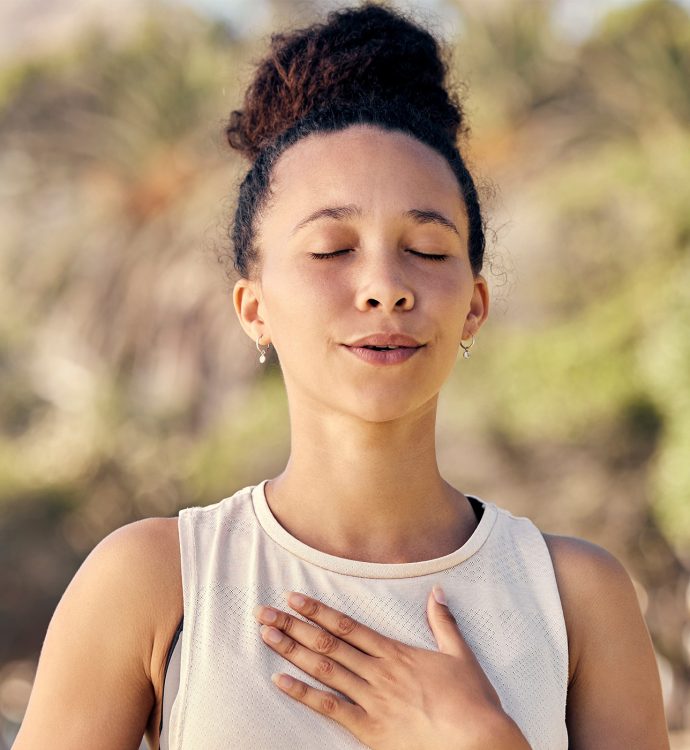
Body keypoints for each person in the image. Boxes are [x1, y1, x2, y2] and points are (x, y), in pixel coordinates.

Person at [13, 3, 670, 749]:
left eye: (426, 248)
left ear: (475, 306)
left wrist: (484, 740)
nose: (384, 287)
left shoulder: (576, 596)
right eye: (331, 249)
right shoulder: (157, 582)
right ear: (253, 307)